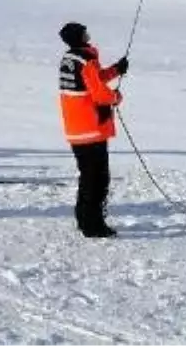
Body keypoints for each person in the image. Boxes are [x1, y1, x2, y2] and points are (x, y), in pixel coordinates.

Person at [57, 22, 128, 239]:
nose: (88, 33)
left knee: (88, 177)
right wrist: (116, 97)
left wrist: (116, 70)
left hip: (76, 128)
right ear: (80, 37)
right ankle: (93, 225)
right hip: (91, 128)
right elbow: (99, 94)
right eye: (84, 31)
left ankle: (85, 219)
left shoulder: (70, 58)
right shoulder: (86, 59)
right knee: (97, 179)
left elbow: (91, 81)